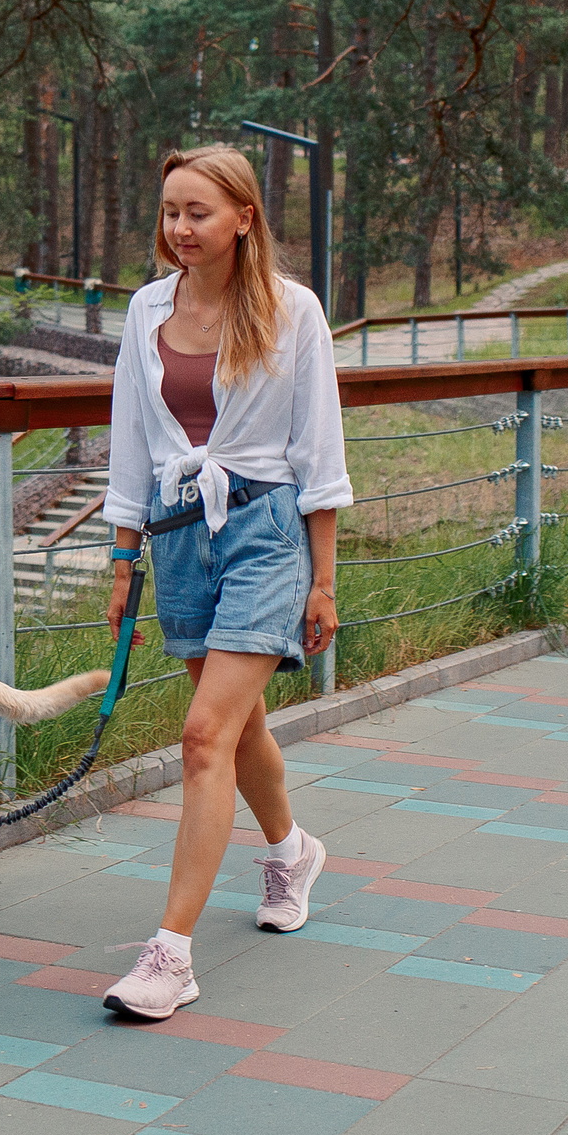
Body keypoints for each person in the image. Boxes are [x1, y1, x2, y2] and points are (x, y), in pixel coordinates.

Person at [98, 143, 351, 1020]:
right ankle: (292, 851)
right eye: (169, 211)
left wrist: (323, 580)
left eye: (196, 212)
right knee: (238, 727)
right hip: (177, 536)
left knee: (204, 733)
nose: (178, 228)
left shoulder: (293, 311)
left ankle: (170, 955)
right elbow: (131, 436)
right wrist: (124, 555)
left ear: (244, 216)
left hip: (267, 533)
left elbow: (320, 452)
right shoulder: (145, 310)